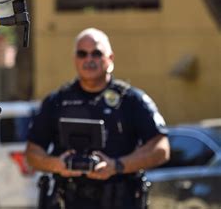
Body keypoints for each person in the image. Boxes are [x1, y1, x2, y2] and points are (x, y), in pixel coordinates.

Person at [26, 28, 170, 209]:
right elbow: (32, 153)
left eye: (96, 53)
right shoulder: (57, 101)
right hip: (68, 199)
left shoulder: (131, 100)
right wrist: (56, 164)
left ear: (110, 58)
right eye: (82, 54)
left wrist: (117, 166)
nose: (89, 59)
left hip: (120, 199)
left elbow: (161, 149)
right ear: (74, 59)